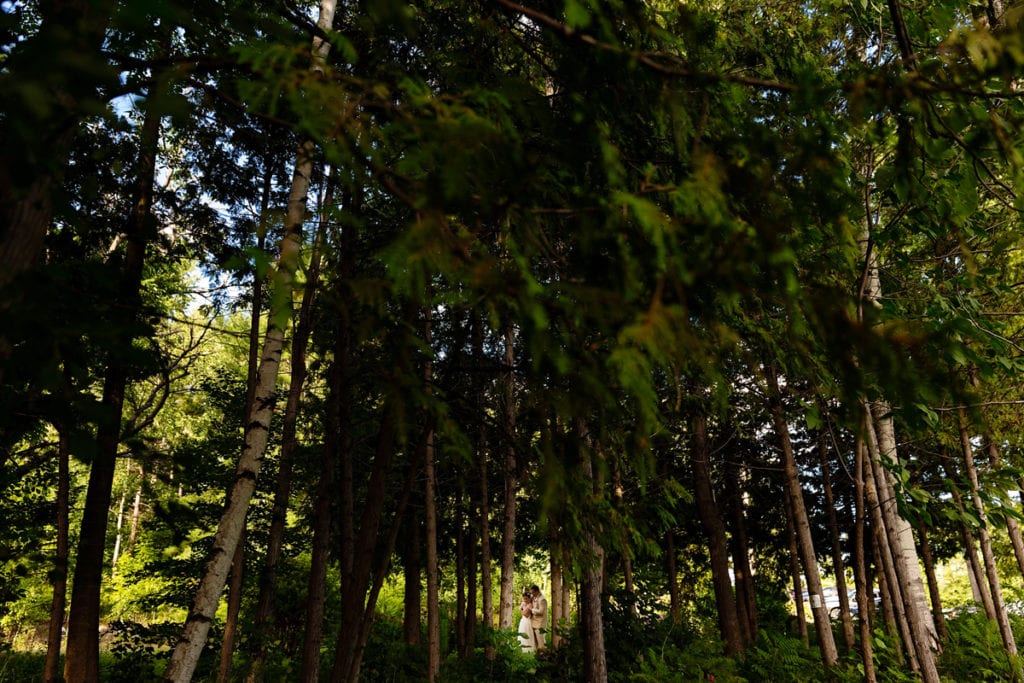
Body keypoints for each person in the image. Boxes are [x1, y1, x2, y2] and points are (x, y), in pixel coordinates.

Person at [529, 584, 547, 651]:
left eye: (533, 592)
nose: (532, 594)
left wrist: (532, 610)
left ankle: (543, 655)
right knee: (536, 642)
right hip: (534, 622)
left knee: (540, 641)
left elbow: (541, 611)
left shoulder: (542, 599)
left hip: (540, 623)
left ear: (537, 591)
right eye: (531, 593)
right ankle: (538, 655)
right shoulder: (534, 597)